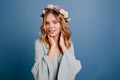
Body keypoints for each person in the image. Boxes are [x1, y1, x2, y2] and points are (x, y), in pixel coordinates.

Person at [31, 4, 82, 80]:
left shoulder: (68, 44)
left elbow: (73, 69)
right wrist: (52, 47)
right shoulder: (39, 43)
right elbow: (40, 76)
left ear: (61, 24)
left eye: (55, 22)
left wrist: (63, 47)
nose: (50, 26)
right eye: (47, 23)